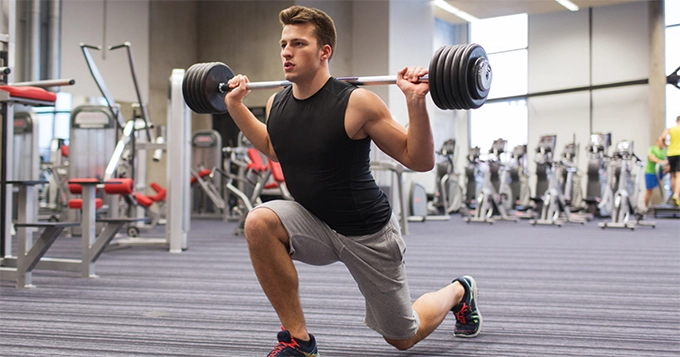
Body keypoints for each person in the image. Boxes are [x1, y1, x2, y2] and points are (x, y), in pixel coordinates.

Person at [224, 5, 481, 357]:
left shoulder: (357, 103)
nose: (286, 52)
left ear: (324, 52)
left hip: (367, 232)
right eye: (284, 44)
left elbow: (418, 160)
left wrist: (415, 101)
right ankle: (298, 341)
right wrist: (236, 106)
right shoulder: (276, 103)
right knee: (259, 221)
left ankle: (458, 291)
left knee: (403, 336)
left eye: (298, 44)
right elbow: (273, 146)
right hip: (314, 222)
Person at [659, 115, 680, 206]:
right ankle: (676, 194)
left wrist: (665, 146)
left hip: (671, 153)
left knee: (672, 175)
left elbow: (661, 138)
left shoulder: (671, 129)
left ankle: (673, 192)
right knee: (679, 174)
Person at [643, 136, 667, 209]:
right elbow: (652, 158)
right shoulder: (652, 148)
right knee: (649, 191)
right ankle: (645, 207)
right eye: (660, 141)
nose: (661, 142)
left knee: (669, 168)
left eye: (662, 141)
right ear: (657, 141)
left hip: (659, 172)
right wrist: (662, 162)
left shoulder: (663, 151)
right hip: (650, 172)